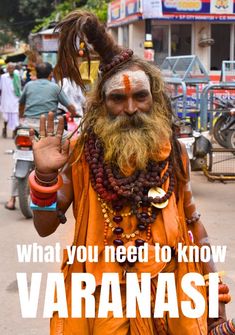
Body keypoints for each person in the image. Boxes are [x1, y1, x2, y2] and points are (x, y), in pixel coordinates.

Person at [29, 11, 232, 335]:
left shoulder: (173, 153)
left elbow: (195, 226)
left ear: (154, 100)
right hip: (101, 302)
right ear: (101, 105)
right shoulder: (82, 154)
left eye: (140, 96)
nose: (131, 108)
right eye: (118, 98)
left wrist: (214, 294)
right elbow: (44, 226)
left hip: (172, 302)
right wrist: (45, 178)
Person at [5, 61, 77, 210]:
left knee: (19, 158)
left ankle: (12, 199)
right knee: (74, 142)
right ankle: (68, 185)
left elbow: (21, 104)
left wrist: (21, 118)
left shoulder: (29, 85)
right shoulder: (55, 87)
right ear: (51, 74)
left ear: (36, 73)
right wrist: (75, 112)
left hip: (27, 127)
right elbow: (70, 106)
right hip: (48, 129)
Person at [0, 62, 21, 138]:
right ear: (7, 69)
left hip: (14, 99)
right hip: (5, 99)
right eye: (10, 68)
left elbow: (19, 88)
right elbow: (1, 89)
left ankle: (14, 132)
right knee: (6, 117)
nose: (11, 69)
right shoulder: (3, 77)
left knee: (15, 116)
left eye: (12, 68)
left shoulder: (17, 76)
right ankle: (5, 130)